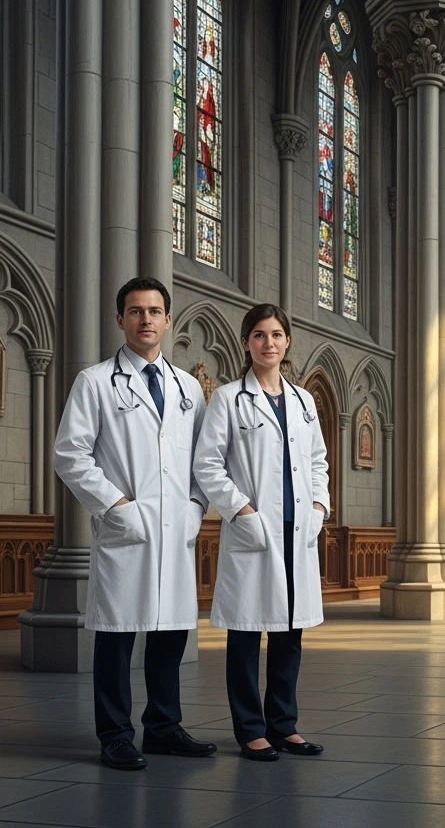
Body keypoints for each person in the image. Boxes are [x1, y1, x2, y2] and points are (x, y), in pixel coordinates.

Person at [53, 278, 213, 771]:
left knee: (170, 634)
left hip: (176, 528)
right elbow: (70, 453)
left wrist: (194, 508)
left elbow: (205, 460)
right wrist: (116, 505)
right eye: (135, 311)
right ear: (119, 319)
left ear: (169, 320)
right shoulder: (96, 381)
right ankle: (116, 734)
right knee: (117, 635)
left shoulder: (189, 387)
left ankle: (163, 727)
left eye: (155, 311)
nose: (146, 319)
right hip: (127, 528)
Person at [193, 303, 329, 761]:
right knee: (247, 634)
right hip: (256, 530)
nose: (268, 343)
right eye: (258, 335)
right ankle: (251, 730)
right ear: (247, 343)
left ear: (287, 341)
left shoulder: (304, 401)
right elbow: (208, 464)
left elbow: (317, 463)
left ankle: (284, 725)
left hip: (298, 530)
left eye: (276, 335)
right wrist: (242, 510)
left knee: (291, 635)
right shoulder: (229, 398)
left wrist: (318, 506)